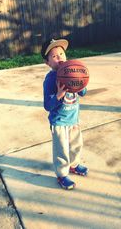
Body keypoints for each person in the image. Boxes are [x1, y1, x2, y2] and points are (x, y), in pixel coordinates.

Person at [41, 38, 89, 190]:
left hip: (73, 119)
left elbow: (83, 92)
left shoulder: (72, 72)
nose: (59, 58)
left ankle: (73, 165)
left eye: (61, 54)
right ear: (47, 62)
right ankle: (62, 174)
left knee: (76, 145)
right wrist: (59, 95)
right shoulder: (50, 80)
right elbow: (48, 105)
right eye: (54, 56)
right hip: (59, 122)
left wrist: (80, 83)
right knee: (61, 150)